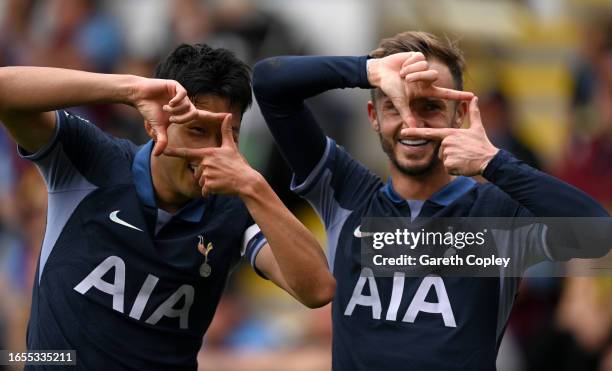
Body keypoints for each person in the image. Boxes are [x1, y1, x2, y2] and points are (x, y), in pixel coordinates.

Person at [250, 31, 609, 370]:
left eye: (431, 106)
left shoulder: (495, 213)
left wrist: (494, 162)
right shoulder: (346, 191)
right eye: (395, 105)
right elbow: (269, 81)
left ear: (460, 115)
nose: (412, 122)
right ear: (373, 117)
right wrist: (366, 70)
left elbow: (598, 235)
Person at [0, 43, 335, 370]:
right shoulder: (91, 160)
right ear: (154, 122)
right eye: (197, 131)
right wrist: (128, 88)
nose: (212, 152)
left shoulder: (235, 208)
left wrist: (254, 186)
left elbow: (318, 288)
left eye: (227, 135)